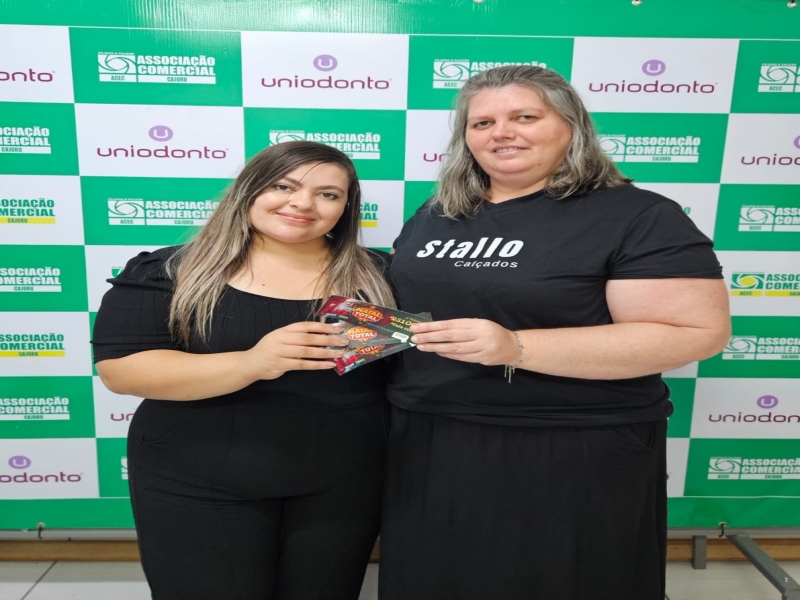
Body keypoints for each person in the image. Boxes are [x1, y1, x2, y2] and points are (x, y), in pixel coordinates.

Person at [380, 65, 731, 600]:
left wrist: (518, 347)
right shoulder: (438, 213)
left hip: (571, 443)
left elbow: (694, 332)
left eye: (525, 117)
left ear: (571, 126)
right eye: (482, 123)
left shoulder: (638, 215)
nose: (501, 133)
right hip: (431, 437)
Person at [92, 141, 394, 600]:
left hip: (344, 486)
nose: (303, 203)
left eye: (328, 194)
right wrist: (252, 363)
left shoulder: (382, 275)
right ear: (248, 190)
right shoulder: (172, 269)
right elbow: (122, 371)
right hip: (197, 480)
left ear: (346, 207)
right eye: (283, 186)